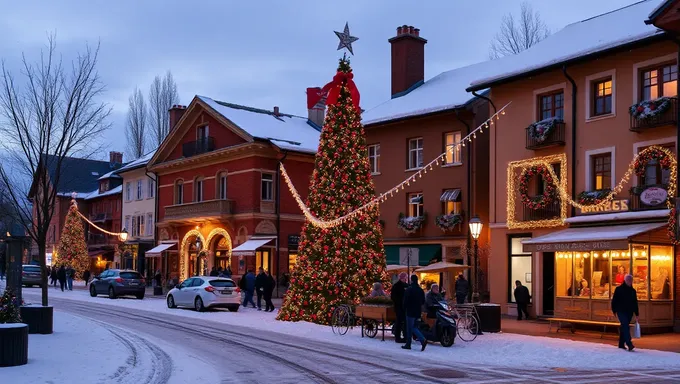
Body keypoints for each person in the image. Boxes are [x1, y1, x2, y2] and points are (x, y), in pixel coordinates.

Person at [611, 274, 639, 351]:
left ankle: (621, 344)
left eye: (631, 281)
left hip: (629, 312)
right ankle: (629, 343)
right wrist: (614, 310)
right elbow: (614, 300)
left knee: (624, 326)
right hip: (621, 311)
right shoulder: (619, 289)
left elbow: (635, 302)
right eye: (628, 280)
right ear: (625, 280)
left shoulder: (633, 291)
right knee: (625, 325)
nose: (630, 282)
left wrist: (637, 313)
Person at [402, 274, 427, 351]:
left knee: (410, 328)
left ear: (411, 280)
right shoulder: (420, 290)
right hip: (417, 311)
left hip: (410, 311)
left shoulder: (409, 289)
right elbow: (423, 301)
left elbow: (405, 301)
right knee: (415, 327)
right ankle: (410, 343)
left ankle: (420, 340)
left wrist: (404, 308)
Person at [390, 272, 407, 343]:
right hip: (399, 307)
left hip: (405, 307)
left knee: (405, 322)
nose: (406, 279)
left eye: (406, 278)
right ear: (401, 278)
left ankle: (405, 337)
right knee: (399, 322)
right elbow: (393, 297)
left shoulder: (406, 285)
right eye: (405, 278)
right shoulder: (396, 286)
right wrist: (399, 303)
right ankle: (398, 337)